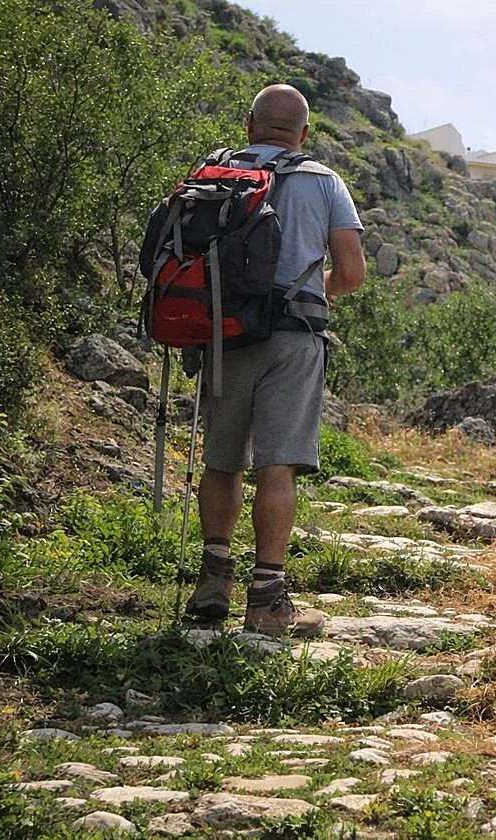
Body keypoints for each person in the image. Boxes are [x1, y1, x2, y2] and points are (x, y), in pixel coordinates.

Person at [184, 84, 366, 637]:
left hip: (226, 333)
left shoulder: (212, 173)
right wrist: (313, 288)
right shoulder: (325, 182)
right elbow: (353, 274)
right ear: (304, 133)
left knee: (222, 459)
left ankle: (213, 580)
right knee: (277, 464)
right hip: (295, 334)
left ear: (250, 125)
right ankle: (266, 600)